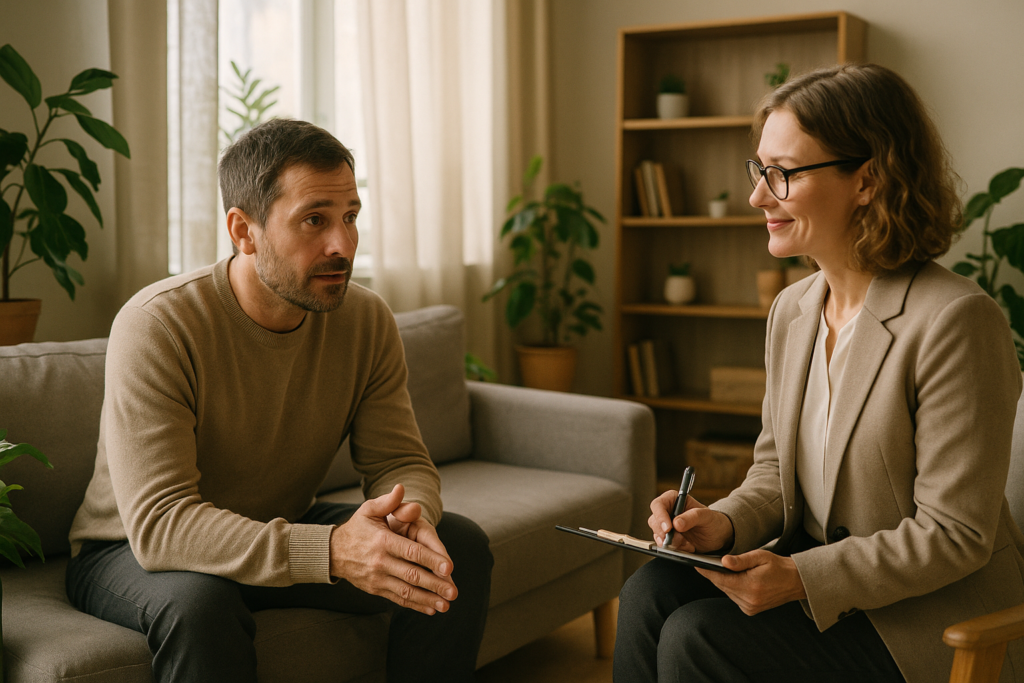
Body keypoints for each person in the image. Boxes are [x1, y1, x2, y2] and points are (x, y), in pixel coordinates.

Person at [614, 63, 1024, 683]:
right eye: (759, 170)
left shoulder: (957, 322)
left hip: (924, 618)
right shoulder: (794, 308)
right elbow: (777, 471)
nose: (758, 196)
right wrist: (720, 521)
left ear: (868, 179)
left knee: (700, 638)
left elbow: (955, 534)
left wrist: (804, 576)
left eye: (782, 173)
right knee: (651, 591)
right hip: (823, 577)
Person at [65, 118, 493, 683]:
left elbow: (398, 461)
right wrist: (334, 551)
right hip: (130, 549)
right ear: (243, 231)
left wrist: (414, 523)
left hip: (278, 522)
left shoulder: (365, 320)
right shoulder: (158, 325)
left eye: (350, 217)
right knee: (201, 607)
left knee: (456, 547)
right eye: (314, 220)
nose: (342, 244)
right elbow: (163, 524)